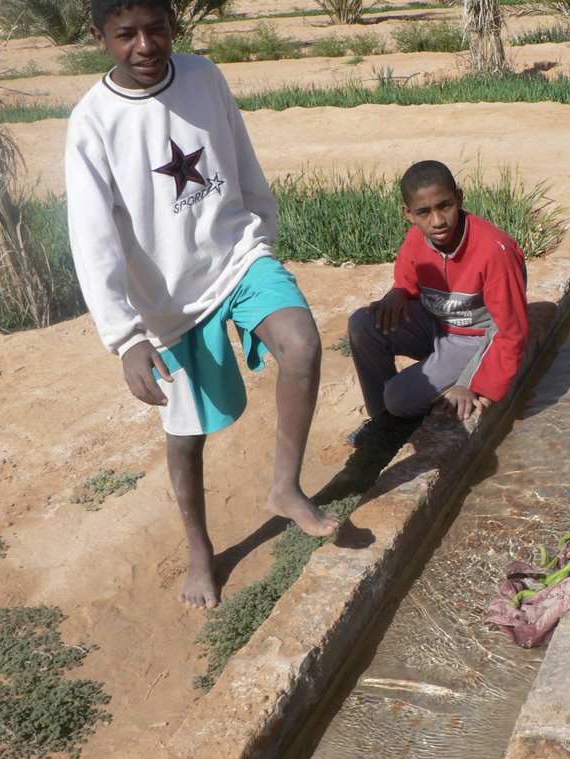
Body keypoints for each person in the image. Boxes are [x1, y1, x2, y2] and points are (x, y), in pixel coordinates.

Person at [65, 0, 339, 609]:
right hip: (167, 304)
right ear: (99, 38)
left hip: (237, 256)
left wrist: (260, 233)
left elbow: (238, 155)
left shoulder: (204, 76)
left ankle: (286, 488)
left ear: (173, 26)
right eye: (125, 34)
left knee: (302, 344)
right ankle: (199, 550)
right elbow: (92, 238)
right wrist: (125, 336)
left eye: (156, 28)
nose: (145, 45)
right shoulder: (94, 122)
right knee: (186, 434)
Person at [346, 160, 529, 445]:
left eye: (444, 206)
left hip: (472, 339)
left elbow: (511, 331)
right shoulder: (417, 239)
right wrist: (399, 292)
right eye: (424, 212)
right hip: (434, 323)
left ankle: (409, 403)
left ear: (459, 198)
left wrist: (472, 384)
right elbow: (407, 278)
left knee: (398, 397)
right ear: (409, 214)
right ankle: (382, 422)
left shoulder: (495, 251)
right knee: (363, 324)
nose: (438, 221)